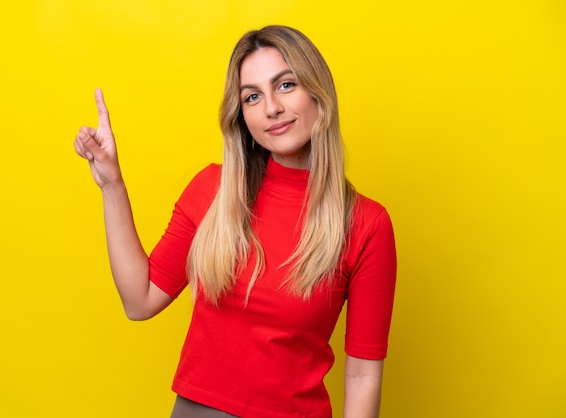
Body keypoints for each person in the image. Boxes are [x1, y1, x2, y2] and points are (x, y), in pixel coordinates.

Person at [74, 25, 396, 418]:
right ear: (241, 115)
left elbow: (363, 374)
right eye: (253, 97)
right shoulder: (212, 190)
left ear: (319, 93)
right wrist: (112, 185)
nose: (271, 108)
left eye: (287, 85)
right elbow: (139, 299)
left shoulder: (366, 223)